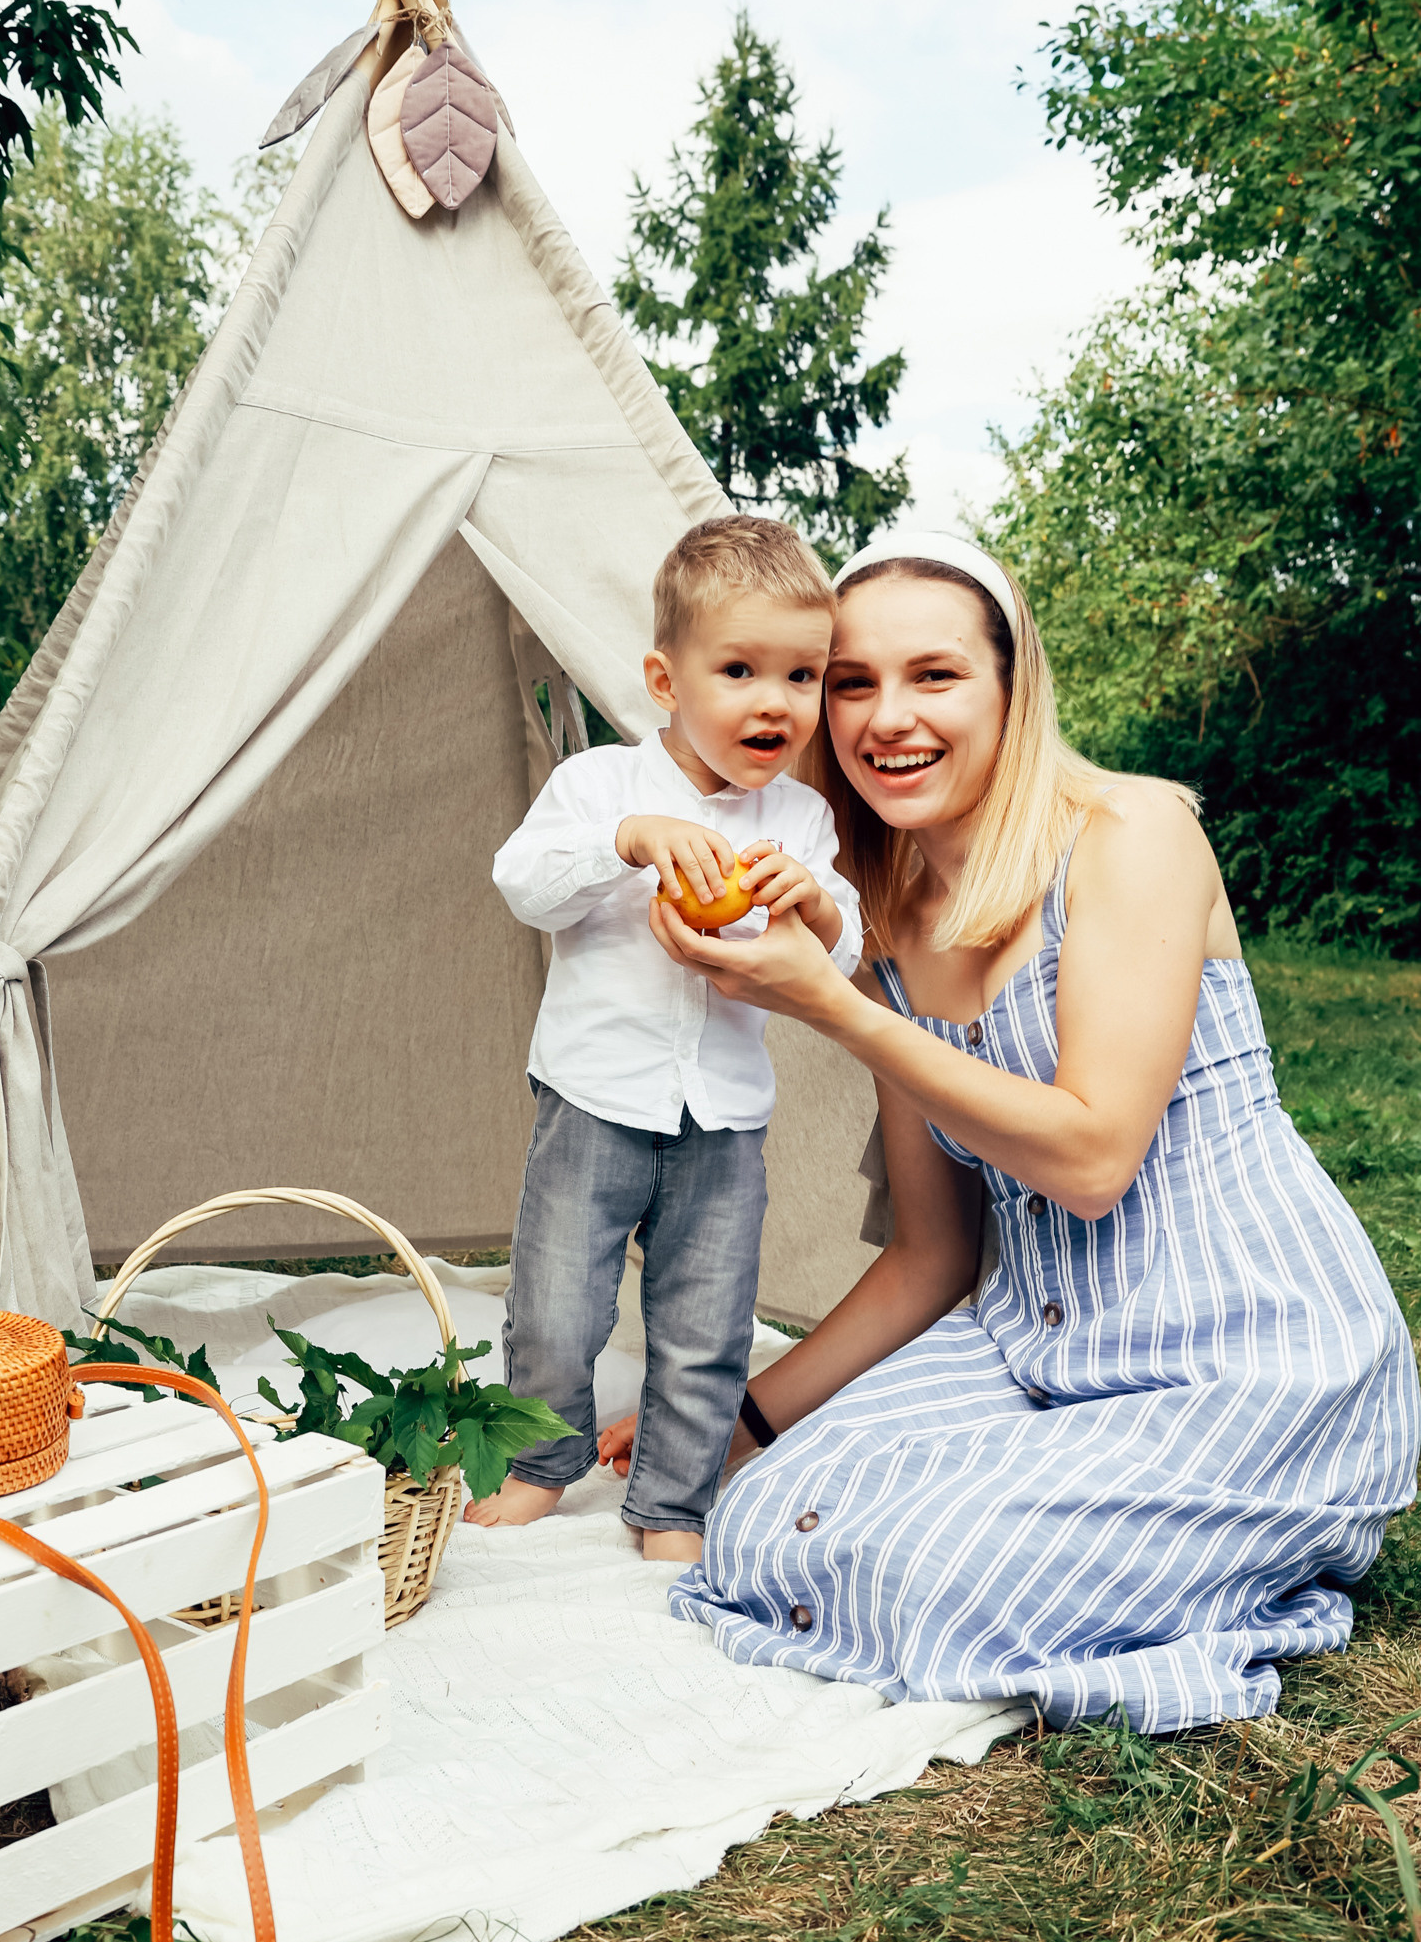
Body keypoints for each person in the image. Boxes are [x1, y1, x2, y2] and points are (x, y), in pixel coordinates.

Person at [606, 528, 1418, 1731]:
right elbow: (936, 1254)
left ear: (1009, 685)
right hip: (1035, 1346)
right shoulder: (889, 919)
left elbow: (1092, 1158)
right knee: (773, 1522)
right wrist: (746, 1417)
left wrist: (828, 1005)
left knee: (921, 1575)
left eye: (934, 674)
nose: (890, 717)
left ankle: (1267, 1541)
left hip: (1248, 1353)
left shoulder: (1129, 834)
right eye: (852, 681)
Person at [474, 513, 863, 1563]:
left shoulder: (800, 821)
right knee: (558, 1301)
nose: (774, 700)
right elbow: (525, 884)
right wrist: (625, 841)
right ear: (666, 677)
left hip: (724, 1117)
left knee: (705, 1323)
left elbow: (850, 944)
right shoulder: (600, 785)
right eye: (739, 668)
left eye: (802, 676)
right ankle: (538, 1462)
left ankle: (672, 1506)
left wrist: (818, 908)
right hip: (595, 1095)